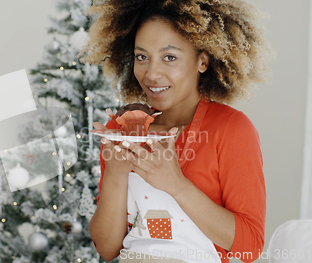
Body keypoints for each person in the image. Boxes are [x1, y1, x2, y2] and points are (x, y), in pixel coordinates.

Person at [77, 0, 273, 262]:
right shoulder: (121, 130)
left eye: (169, 57)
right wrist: (115, 172)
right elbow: (107, 249)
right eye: (142, 57)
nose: (151, 74)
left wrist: (176, 185)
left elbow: (250, 247)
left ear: (202, 61)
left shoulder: (232, 129)